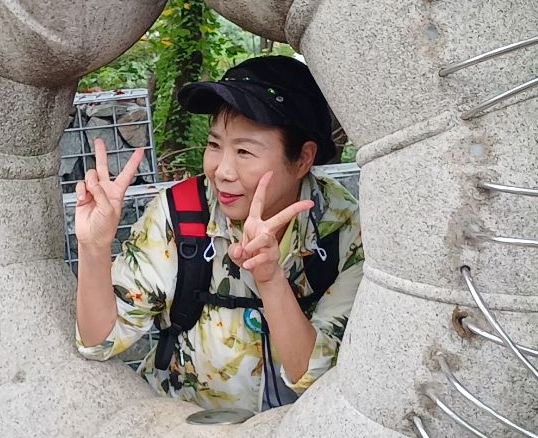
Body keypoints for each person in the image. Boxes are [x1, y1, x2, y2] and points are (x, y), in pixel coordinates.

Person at [74, 55, 363, 416]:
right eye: (214, 145)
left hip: (299, 434)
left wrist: (270, 279)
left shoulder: (342, 228)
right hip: (188, 432)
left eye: (244, 151)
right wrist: (94, 247)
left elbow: (316, 377)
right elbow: (98, 342)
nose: (221, 171)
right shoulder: (179, 215)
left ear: (303, 159)